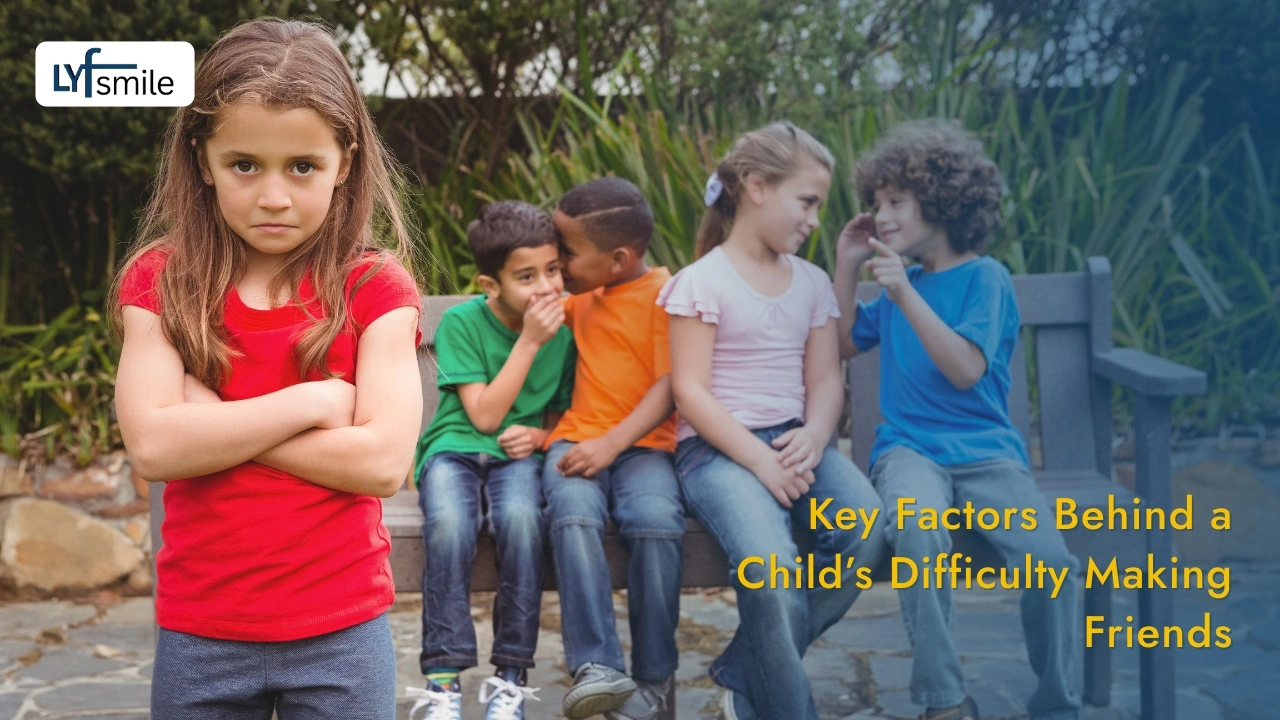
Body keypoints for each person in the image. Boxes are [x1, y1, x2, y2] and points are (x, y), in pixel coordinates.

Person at [112, 18, 422, 719]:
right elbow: (156, 447)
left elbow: (381, 463)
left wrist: (213, 421)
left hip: (342, 626)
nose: (273, 196)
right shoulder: (161, 281)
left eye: (302, 166)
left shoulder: (375, 287)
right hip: (203, 627)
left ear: (345, 158)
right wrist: (313, 402)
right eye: (244, 165)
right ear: (201, 158)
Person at [834, 119, 1081, 720]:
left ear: (942, 200)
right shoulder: (902, 285)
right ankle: (945, 701)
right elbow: (842, 342)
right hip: (908, 451)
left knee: (1053, 567)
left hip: (986, 454)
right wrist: (846, 268)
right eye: (875, 203)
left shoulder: (985, 279)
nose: (882, 215)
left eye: (896, 201)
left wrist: (902, 296)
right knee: (916, 529)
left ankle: (1056, 705)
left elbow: (966, 369)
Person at [659, 122, 887, 720]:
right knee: (771, 566)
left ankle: (743, 668)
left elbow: (824, 381)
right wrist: (758, 460)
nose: (815, 219)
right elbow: (690, 392)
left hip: (796, 443)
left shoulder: (811, 284)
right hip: (719, 452)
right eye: (807, 201)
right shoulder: (701, 282)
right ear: (756, 186)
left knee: (865, 528)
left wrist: (815, 435)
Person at [409, 200, 575, 720]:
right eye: (526, 276)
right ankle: (443, 680)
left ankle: (510, 676)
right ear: (490, 284)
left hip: (516, 457)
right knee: (451, 525)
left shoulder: (567, 333)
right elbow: (482, 416)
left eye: (553, 270)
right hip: (454, 450)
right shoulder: (463, 322)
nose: (546, 287)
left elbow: (566, 416)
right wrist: (528, 342)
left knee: (524, 523)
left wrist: (543, 436)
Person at [541, 177, 685, 720]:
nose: (559, 263)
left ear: (619, 259)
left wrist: (612, 443)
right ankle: (597, 666)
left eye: (568, 254)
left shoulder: (666, 295)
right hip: (576, 440)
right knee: (573, 511)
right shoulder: (582, 296)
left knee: (655, 520)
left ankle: (652, 678)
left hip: (644, 447)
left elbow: (669, 385)